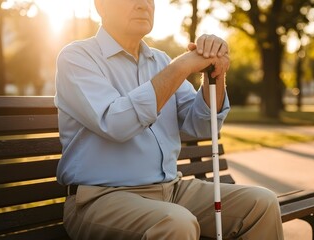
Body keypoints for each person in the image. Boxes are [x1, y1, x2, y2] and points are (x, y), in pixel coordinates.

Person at [55, 0, 284, 239]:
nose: (143, 4)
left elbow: (203, 125)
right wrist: (183, 65)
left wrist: (214, 73)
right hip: (100, 199)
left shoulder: (161, 61)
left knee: (262, 203)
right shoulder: (77, 57)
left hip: (172, 190)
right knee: (176, 223)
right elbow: (116, 124)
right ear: (101, 5)